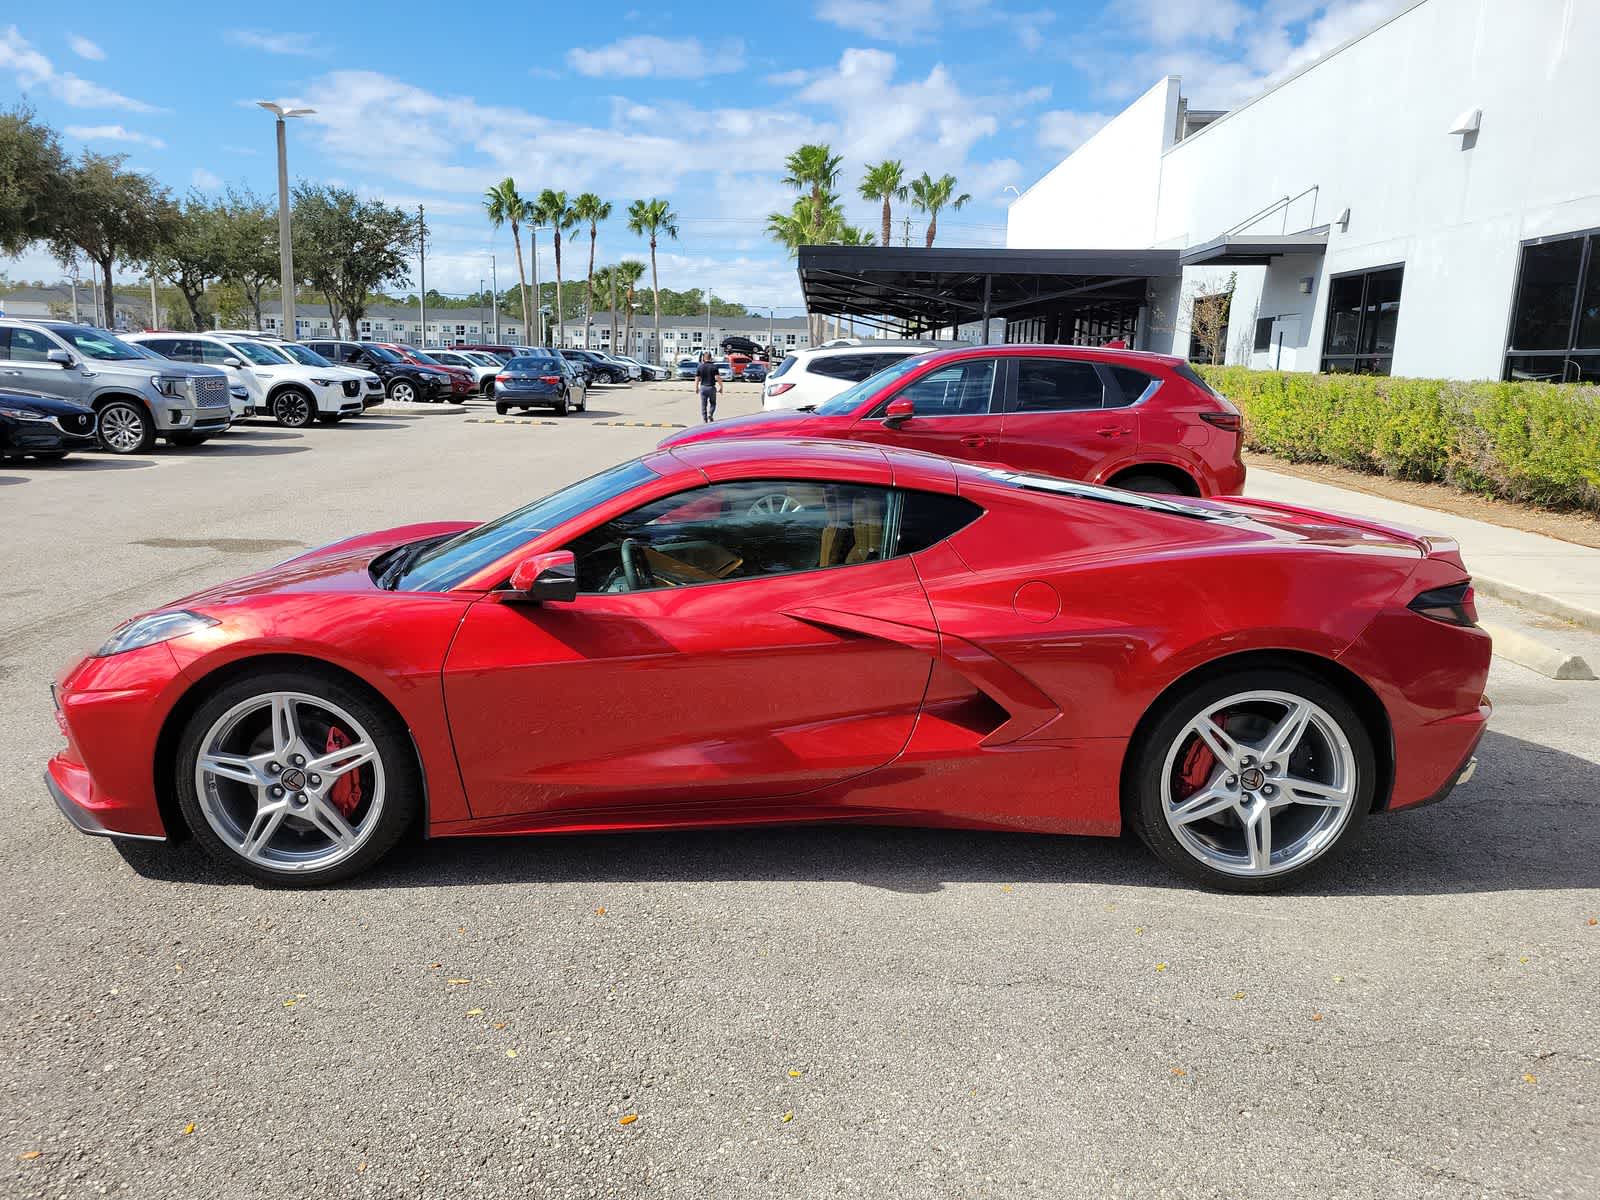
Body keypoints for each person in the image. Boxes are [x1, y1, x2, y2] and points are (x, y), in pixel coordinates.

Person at [695, 351, 721, 423]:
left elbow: (697, 378)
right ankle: (710, 414)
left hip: (703, 387)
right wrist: (721, 387)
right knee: (713, 403)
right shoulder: (714, 366)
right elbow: (717, 377)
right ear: (711, 358)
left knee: (703, 404)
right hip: (711, 387)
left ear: (704, 358)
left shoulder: (700, 366)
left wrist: (696, 387)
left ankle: (704, 419)